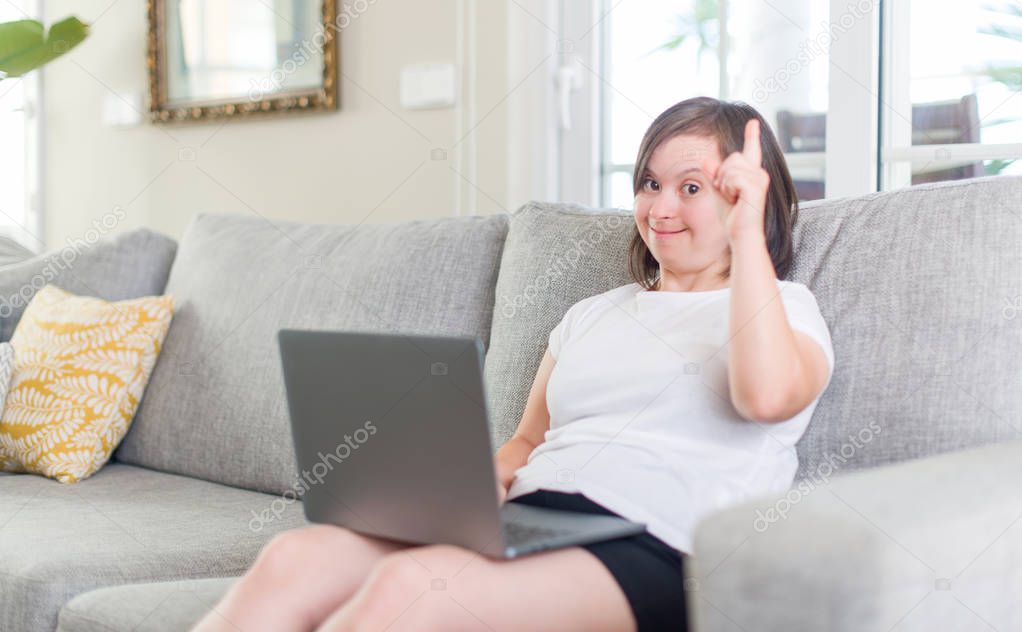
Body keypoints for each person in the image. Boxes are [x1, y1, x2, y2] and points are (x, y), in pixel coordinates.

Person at [191, 96, 835, 632]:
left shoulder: (785, 309)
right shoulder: (592, 314)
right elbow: (528, 440)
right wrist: (450, 498)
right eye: (650, 183)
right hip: (534, 518)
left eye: (691, 188)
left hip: (662, 546)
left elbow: (766, 398)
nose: (660, 209)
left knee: (412, 588)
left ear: (744, 196)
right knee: (295, 559)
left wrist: (749, 237)